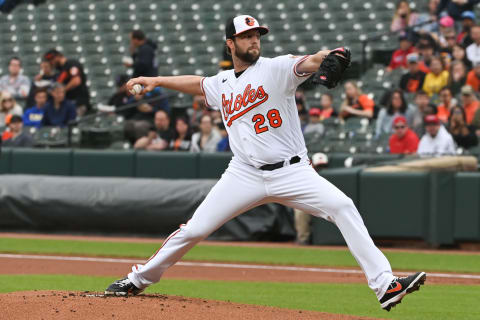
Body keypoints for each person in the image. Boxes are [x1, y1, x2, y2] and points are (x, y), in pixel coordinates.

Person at [105, 14, 426, 311]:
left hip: (293, 171)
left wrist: (334, 53)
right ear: (231, 43)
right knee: (195, 229)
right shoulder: (223, 83)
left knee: (343, 207)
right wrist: (157, 80)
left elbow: (312, 61)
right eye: (246, 36)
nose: (254, 40)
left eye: (257, 34)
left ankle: (385, 285)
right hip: (243, 174)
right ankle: (138, 279)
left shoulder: (276, 68)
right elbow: (200, 83)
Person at [294, 152, 329, 245]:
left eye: (324, 166)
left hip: (326, 203)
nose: (321, 169)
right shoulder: (305, 174)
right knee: (300, 211)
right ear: (312, 165)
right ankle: (303, 239)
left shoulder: (331, 175)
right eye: (319, 166)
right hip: (310, 202)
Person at [44, 49, 90, 116]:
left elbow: (76, 81)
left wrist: (62, 90)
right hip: (69, 103)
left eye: (52, 60)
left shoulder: (71, 64)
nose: (51, 63)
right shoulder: (61, 69)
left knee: (74, 122)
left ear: (58, 56)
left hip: (78, 102)